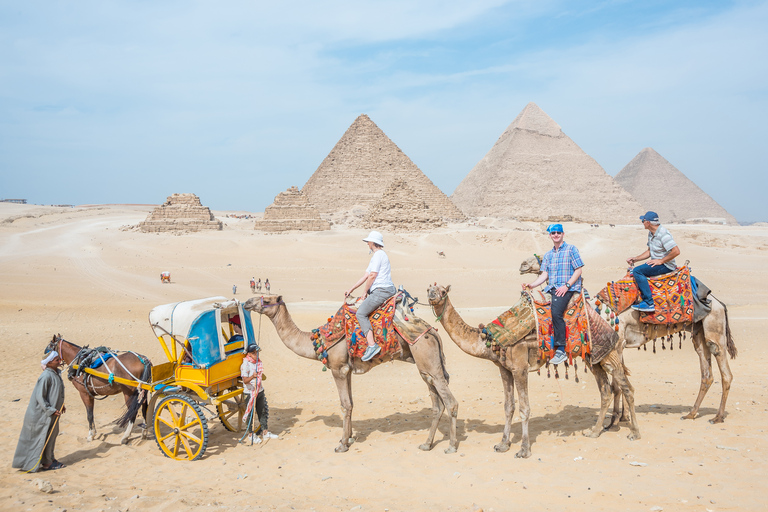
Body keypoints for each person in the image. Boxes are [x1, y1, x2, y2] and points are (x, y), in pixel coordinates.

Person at [522, 224, 584, 366]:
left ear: (563, 234)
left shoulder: (571, 249)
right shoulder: (549, 255)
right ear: (550, 235)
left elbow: (578, 270)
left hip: (568, 288)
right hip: (552, 288)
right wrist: (532, 285)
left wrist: (566, 286)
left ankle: (561, 348)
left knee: (556, 312)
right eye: (553, 233)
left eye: (558, 232)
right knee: (533, 302)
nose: (556, 235)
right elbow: (545, 274)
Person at [344, 230, 396, 362]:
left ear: (373, 242)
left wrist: (364, 293)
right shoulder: (376, 256)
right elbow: (366, 275)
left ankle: (372, 346)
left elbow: (373, 276)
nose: (367, 244)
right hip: (380, 289)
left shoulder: (379, 255)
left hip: (382, 290)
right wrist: (351, 289)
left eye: (368, 242)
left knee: (360, 313)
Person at [13, 350, 67, 472]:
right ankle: (47, 463)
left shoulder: (56, 373)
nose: (60, 361)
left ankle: (49, 459)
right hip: (42, 414)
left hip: (52, 412)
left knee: (51, 435)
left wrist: (61, 405)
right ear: (49, 362)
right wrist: (51, 410)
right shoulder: (46, 376)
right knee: (41, 437)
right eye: (57, 360)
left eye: (59, 359)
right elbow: (40, 397)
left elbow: (56, 392)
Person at [627, 211, 680, 312]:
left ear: (648, 223)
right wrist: (636, 259)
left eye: (643, 221)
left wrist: (661, 261)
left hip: (666, 265)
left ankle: (648, 302)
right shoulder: (652, 233)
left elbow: (676, 251)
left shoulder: (663, 234)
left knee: (637, 271)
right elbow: (649, 251)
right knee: (636, 269)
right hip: (657, 262)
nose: (642, 223)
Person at [240, 343, 278, 443]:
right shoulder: (245, 365)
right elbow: (245, 380)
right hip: (250, 393)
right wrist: (253, 376)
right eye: (253, 353)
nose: (256, 354)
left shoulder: (258, 362)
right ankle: (250, 435)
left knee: (262, 411)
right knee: (250, 414)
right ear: (249, 354)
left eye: (257, 352)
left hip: (259, 390)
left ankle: (265, 432)